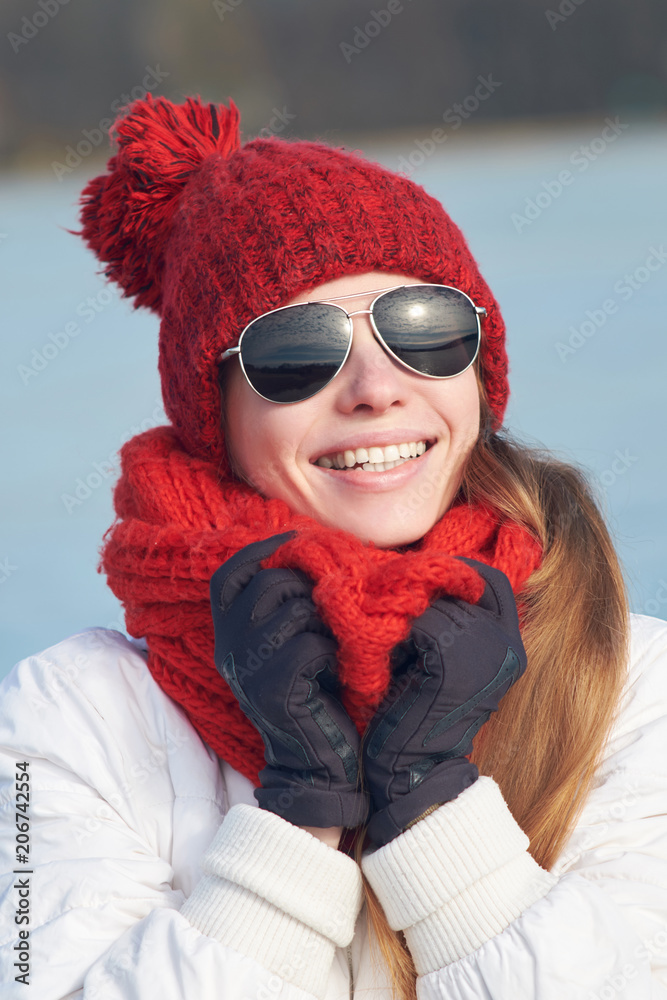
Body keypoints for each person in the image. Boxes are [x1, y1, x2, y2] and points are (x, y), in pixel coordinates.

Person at [1, 94, 666, 1000]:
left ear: (478, 368)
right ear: (216, 419)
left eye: (422, 327)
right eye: (294, 352)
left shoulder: (632, 686)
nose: (373, 387)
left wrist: (431, 803)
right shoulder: (66, 722)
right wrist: (296, 821)